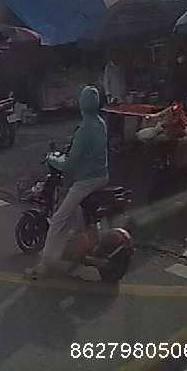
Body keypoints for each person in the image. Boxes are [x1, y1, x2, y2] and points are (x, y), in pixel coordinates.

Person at [29, 85, 109, 279]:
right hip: (103, 176)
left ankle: (46, 263)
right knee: (78, 214)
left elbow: (70, 164)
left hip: (86, 181)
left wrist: (51, 158)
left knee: (59, 219)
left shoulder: (84, 130)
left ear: (81, 105)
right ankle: (81, 249)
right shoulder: (101, 123)